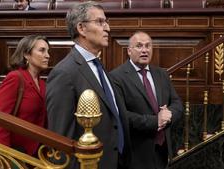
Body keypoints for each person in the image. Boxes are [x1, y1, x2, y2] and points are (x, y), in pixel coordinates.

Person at [46, 1, 131, 169]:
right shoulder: (64, 73)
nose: (107, 28)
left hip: (115, 161)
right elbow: (60, 138)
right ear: (81, 28)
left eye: (106, 22)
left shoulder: (99, 67)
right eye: (100, 22)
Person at [110, 31, 183, 169]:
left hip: (163, 150)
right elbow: (121, 115)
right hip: (136, 153)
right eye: (139, 46)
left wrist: (169, 114)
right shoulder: (116, 77)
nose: (144, 50)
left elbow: (177, 103)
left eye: (148, 46)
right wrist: (155, 121)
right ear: (129, 51)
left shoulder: (161, 73)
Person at [0, 35, 50, 168]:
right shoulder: (15, 78)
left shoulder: (42, 83)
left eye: (47, 51)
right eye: (42, 50)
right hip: (10, 158)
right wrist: (4, 159)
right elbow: (0, 120)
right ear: (26, 55)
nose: (47, 55)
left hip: (33, 157)